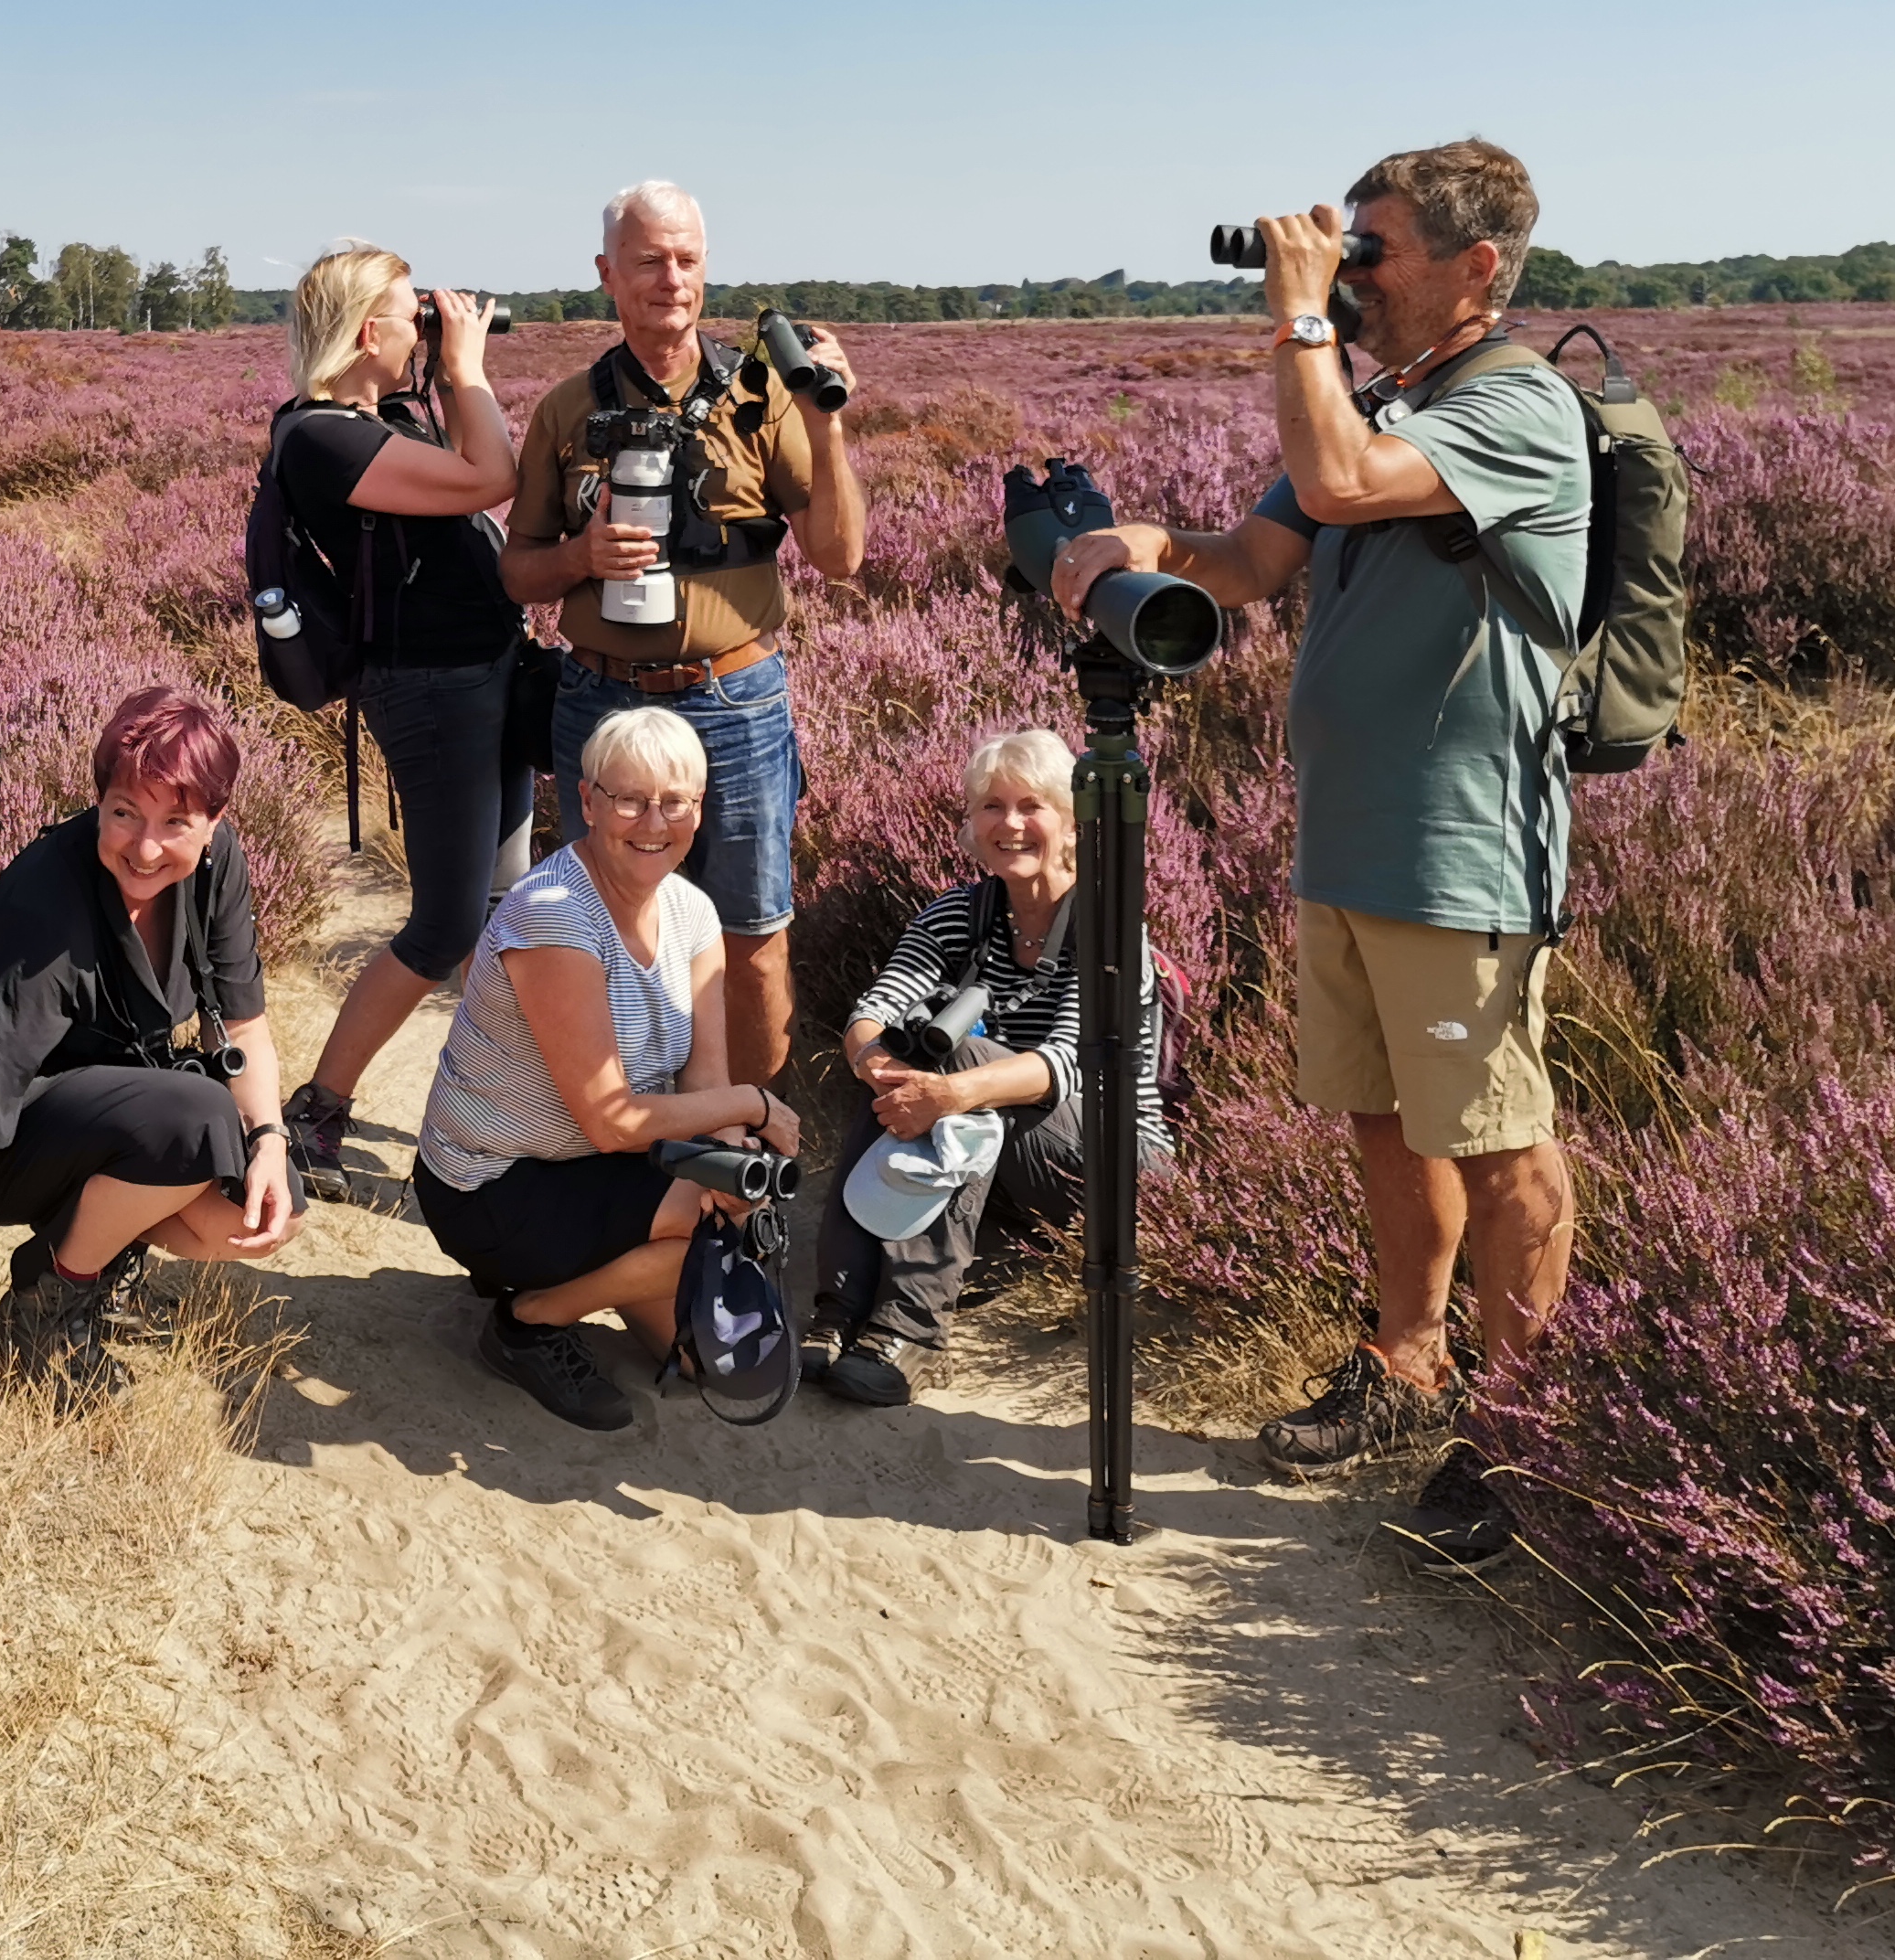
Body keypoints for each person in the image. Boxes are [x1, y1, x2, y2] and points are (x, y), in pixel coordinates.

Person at [1049, 138, 1585, 1574]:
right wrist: (1137, 545)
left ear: (1477, 267)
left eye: (1374, 251)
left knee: (1498, 1137)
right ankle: (1406, 1365)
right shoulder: (1391, 397)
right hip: (1348, 838)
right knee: (1383, 1118)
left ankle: (1527, 1438)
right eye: (1343, 248)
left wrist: (1298, 318)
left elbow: (1339, 483)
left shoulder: (1519, 405)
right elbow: (1254, 559)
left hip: (1463, 845)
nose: (1350, 275)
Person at [499, 180, 864, 1086]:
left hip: (735, 701)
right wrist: (581, 557)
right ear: (607, 275)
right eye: (649, 261)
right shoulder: (565, 410)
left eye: (688, 260)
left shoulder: (767, 396)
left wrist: (827, 428)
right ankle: (619, 1123)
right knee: (599, 928)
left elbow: (839, 556)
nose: (672, 279)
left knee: (752, 935)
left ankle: (751, 1136)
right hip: (600, 701)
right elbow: (518, 571)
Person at [0, 688, 304, 1453]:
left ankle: (79, 1260)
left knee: (257, 1216)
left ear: (215, 822)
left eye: (175, 823)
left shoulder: (218, 868)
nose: (145, 849)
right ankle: (52, 1303)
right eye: (124, 813)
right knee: (198, 1120)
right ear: (99, 801)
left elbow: (245, 1025)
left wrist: (272, 1142)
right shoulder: (44, 905)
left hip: (111, 1105)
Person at [410, 708, 803, 1433]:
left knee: (710, 1356)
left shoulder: (694, 914)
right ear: (587, 802)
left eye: (675, 802)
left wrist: (733, 1161)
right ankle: (529, 1318)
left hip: (602, 1163)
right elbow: (612, 1120)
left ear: (699, 809)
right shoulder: (555, 916)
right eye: (629, 800)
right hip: (492, 1181)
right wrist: (753, 1106)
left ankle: (603, 1265)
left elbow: (705, 1087)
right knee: (708, 1233)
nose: (654, 822)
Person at [262, 245, 530, 1198]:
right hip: (433, 691)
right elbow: (491, 477)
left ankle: (502, 1101)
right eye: (413, 314)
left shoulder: (385, 421)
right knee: (447, 921)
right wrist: (466, 367)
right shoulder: (320, 438)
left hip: (484, 673)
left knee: (504, 907)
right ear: (367, 329)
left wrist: (449, 378)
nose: (425, 326)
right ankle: (318, 1106)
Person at [804, 729, 1171, 1407]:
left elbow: (1067, 1063)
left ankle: (911, 1331)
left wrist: (950, 1093)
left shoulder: (1109, 928)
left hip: (1110, 1164)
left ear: (1072, 824)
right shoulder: (957, 916)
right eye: (992, 807)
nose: (1011, 824)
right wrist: (877, 1063)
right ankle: (839, 1310)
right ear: (972, 824)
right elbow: (872, 1011)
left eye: (1032, 806)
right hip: (1002, 1163)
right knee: (901, 1063)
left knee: (959, 1063)